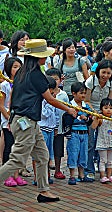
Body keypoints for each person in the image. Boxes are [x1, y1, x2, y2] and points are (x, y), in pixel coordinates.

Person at [0, 39, 77, 203]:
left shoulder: (22, 72)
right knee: (17, 159)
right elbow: (49, 99)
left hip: (26, 121)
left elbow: (15, 97)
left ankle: (44, 190)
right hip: (25, 122)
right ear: (38, 57)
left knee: (42, 156)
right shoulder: (36, 75)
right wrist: (69, 109)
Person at [0, 57, 27, 187]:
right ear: (8, 69)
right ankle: (7, 176)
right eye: (15, 67)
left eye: (19, 66)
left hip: (20, 119)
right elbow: (1, 105)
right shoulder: (4, 85)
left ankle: (16, 175)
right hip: (8, 120)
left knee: (18, 148)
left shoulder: (21, 83)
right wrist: (8, 119)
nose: (18, 69)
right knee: (9, 147)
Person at [64, 82, 95, 185]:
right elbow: (66, 119)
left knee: (83, 153)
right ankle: (72, 176)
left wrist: (86, 118)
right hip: (74, 133)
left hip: (85, 133)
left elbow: (90, 119)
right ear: (74, 93)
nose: (83, 95)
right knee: (73, 153)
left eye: (84, 93)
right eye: (81, 93)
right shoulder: (69, 105)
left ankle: (81, 175)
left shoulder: (86, 106)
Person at [33, 76, 59, 186]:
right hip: (42, 129)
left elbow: (56, 114)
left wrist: (56, 126)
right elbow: (44, 114)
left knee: (48, 153)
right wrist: (49, 103)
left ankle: (46, 175)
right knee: (39, 154)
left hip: (51, 129)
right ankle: (37, 177)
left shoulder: (53, 100)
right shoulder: (42, 100)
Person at [45, 68, 69, 180]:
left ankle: (58, 170)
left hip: (59, 127)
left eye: (56, 79)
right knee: (46, 150)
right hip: (47, 127)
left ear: (61, 80)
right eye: (51, 79)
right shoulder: (44, 94)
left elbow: (67, 110)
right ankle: (47, 172)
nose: (54, 81)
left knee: (58, 149)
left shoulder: (63, 94)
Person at [91, 98, 112, 183]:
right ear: (101, 109)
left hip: (111, 143)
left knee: (110, 161)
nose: (108, 110)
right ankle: (102, 176)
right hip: (102, 143)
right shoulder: (101, 119)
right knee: (103, 160)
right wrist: (96, 118)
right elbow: (93, 127)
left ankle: (109, 176)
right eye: (106, 108)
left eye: (110, 108)